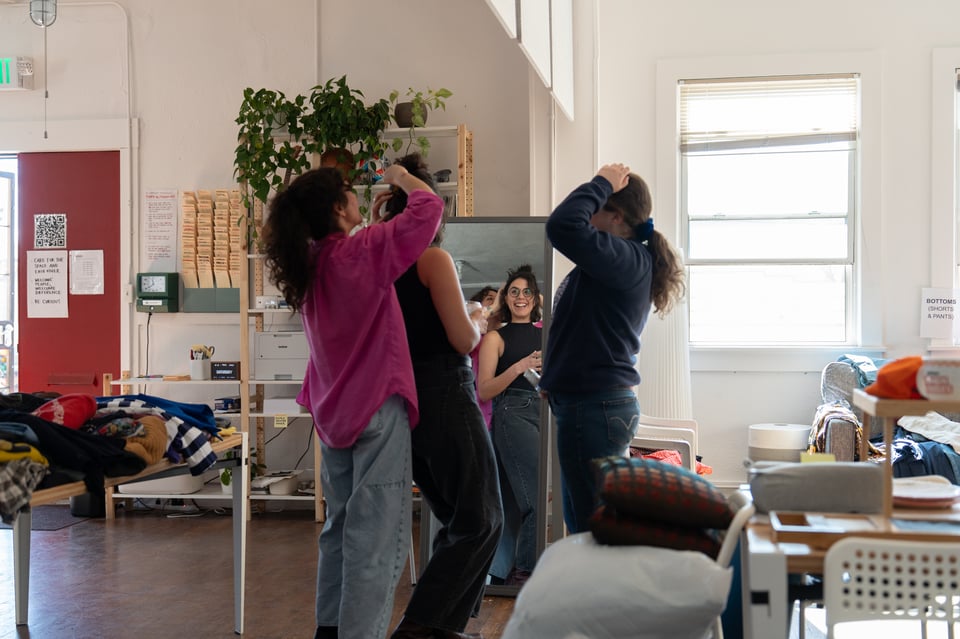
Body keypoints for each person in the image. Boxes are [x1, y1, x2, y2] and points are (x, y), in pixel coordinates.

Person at [260, 163, 443, 639]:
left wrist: (374, 226)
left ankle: (329, 629)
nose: (357, 195)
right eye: (348, 191)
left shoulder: (311, 263)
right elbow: (429, 207)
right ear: (338, 208)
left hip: (333, 413)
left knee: (340, 530)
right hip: (376, 407)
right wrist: (400, 177)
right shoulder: (363, 252)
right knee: (375, 540)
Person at [378, 153, 504, 639]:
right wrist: (477, 317)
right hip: (446, 392)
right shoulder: (431, 258)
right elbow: (462, 339)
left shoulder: (378, 259)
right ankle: (422, 628)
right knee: (483, 519)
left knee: (459, 519)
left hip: (406, 401)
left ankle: (440, 628)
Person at [539, 163, 686, 534]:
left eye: (597, 208)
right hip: (589, 405)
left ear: (616, 216)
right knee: (586, 522)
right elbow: (580, 328)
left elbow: (562, 225)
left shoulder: (624, 258)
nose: (589, 216)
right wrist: (554, 379)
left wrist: (602, 182)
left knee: (593, 528)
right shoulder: (617, 261)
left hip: (594, 408)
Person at [477, 265, 543, 586]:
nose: (520, 297)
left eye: (527, 292)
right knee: (534, 499)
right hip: (512, 414)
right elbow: (484, 389)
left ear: (536, 298)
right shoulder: (495, 338)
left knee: (514, 500)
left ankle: (498, 572)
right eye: (514, 292)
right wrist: (519, 367)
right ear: (506, 298)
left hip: (545, 412)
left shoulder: (547, 333)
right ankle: (525, 574)